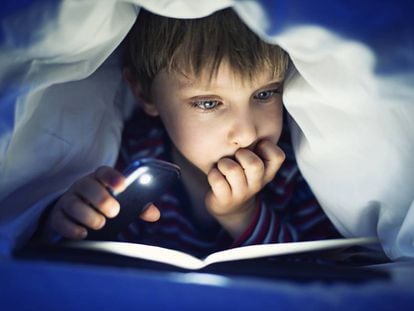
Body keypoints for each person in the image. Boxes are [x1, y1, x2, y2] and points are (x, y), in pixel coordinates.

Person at [39, 8, 339, 257]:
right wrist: (72, 222)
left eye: (264, 95)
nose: (247, 134)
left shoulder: (293, 167)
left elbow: (320, 277)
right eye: (209, 103)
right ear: (145, 94)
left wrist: (241, 215)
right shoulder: (131, 156)